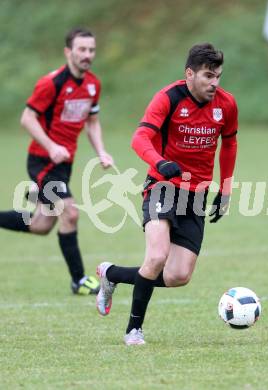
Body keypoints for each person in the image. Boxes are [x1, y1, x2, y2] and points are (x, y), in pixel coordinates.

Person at [96, 43, 238, 344]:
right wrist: (160, 162)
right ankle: (133, 330)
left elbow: (230, 145)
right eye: (208, 76)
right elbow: (140, 137)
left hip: (196, 195)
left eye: (218, 77)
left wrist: (225, 189)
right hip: (162, 187)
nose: (214, 83)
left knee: (178, 276)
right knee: (157, 256)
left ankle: (112, 274)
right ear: (190, 74)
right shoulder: (169, 98)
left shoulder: (226, 105)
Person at [0, 28, 114, 295]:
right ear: (68, 52)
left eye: (91, 50)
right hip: (43, 161)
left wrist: (102, 151)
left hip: (64, 164)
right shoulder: (51, 83)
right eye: (82, 49)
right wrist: (51, 146)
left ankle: (37, 196)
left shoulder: (92, 84)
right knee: (70, 213)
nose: (87, 55)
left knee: (41, 225)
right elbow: (27, 118)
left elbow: (92, 123)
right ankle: (78, 280)